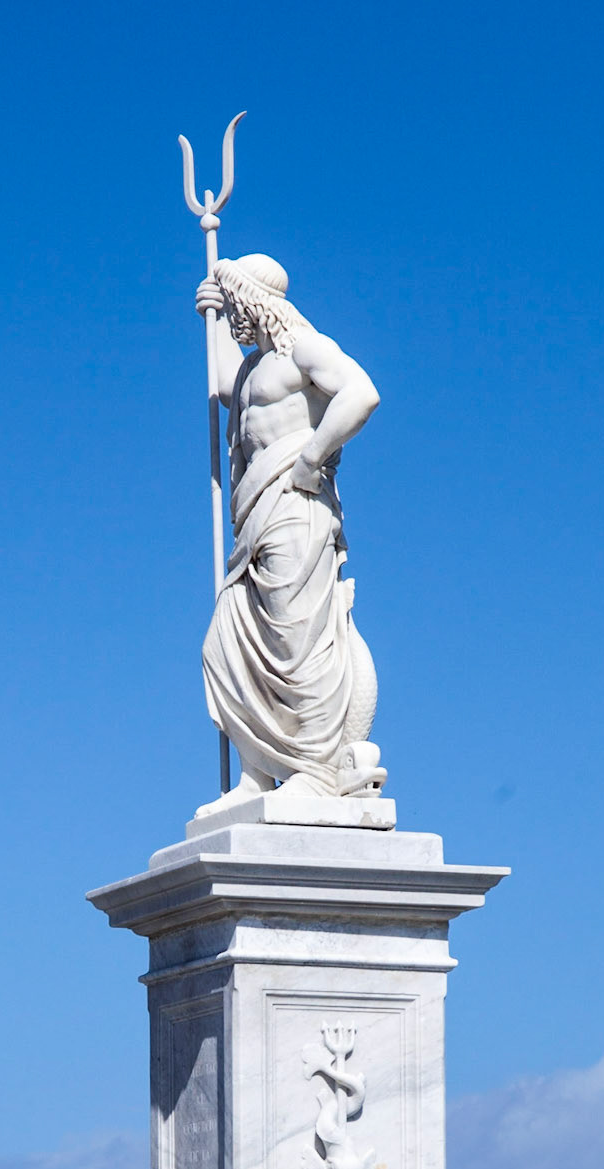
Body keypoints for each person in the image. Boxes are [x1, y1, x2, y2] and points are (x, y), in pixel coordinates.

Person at [196, 253, 384, 804]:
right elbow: (228, 390)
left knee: (296, 636)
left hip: (297, 504)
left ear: (257, 300)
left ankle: (316, 769)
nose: (233, 314)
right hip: (254, 514)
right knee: (231, 639)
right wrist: (209, 321)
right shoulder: (255, 368)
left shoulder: (305, 348)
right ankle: (257, 776)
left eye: (235, 304)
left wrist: (311, 457)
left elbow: (362, 393)